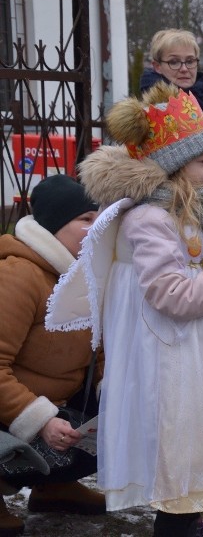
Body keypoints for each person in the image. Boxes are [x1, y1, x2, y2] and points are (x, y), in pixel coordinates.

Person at [69, 83, 203, 536]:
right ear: (173, 166)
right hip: (173, 353)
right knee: (180, 458)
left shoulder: (185, 210)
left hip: (200, 348)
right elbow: (169, 294)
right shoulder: (150, 219)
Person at [0, 175, 103, 537]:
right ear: (56, 226)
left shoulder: (86, 274)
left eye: (100, 218)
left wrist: (114, 394)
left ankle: (54, 488)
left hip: (55, 399)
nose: (97, 228)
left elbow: (99, 352)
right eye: (86, 219)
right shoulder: (19, 274)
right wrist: (41, 419)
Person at [141, 28, 203, 130]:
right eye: (174, 62)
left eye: (190, 61)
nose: (184, 69)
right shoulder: (146, 115)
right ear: (157, 66)